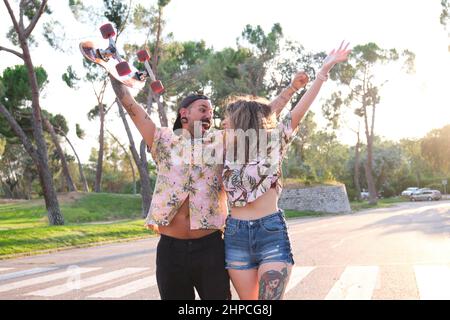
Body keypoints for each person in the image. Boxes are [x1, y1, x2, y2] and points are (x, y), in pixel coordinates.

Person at [108, 69, 308, 300]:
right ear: (184, 113)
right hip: (170, 250)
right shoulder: (161, 139)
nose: (208, 116)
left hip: (211, 247)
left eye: (211, 113)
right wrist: (113, 71)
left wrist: (291, 89)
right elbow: (131, 107)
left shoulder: (221, 141)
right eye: (203, 110)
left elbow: (257, 117)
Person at [221, 42, 351, 300]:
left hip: (270, 232)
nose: (223, 122)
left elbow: (295, 111)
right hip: (235, 234)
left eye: (228, 117)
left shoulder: (273, 142)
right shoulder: (220, 147)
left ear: (241, 121)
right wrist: (289, 88)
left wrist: (322, 73)